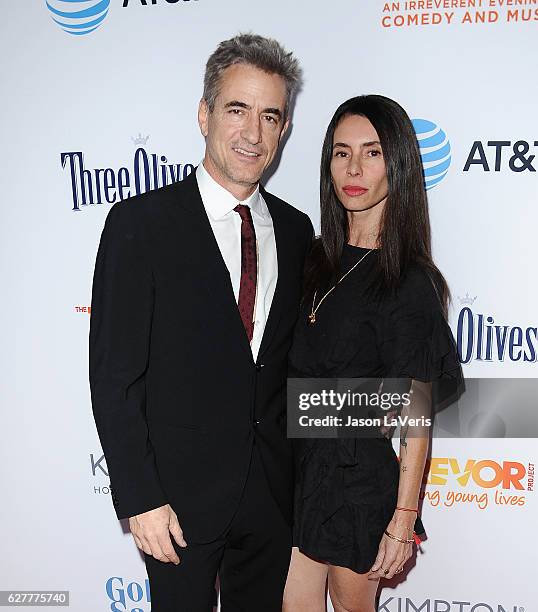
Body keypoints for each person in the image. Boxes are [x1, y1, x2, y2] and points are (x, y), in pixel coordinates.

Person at [89, 33, 313, 611]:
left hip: (271, 497)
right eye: (237, 110)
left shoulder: (296, 230)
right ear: (204, 113)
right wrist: (140, 498)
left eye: (271, 115)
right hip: (177, 504)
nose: (253, 133)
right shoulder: (142, 224)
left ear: (284, 129)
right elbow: (115, 377)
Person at [283, 95, 463, 612]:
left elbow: (416, 413)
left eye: (373, 152)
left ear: (398, 165)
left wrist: (403, 519)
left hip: (357, 480)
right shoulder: (316, 258)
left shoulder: (408, 281)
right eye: (341, 153)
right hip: (296, 471)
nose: (354, 168)